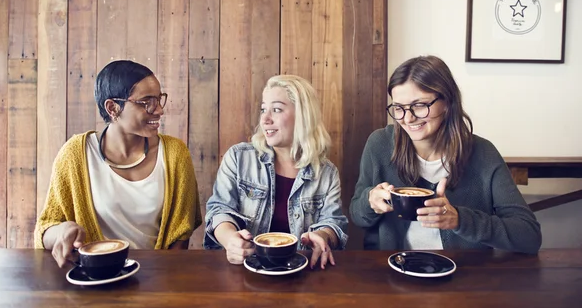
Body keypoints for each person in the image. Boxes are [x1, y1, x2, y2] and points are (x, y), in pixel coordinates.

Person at [350, 55, 541, 254]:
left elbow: (529, 236)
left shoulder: (483, 153)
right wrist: (370, 201)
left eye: (419, 105)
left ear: (447, 102)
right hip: (394, 270)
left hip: (463, 275)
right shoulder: (379, 144)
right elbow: (357, 215)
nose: (407, 118)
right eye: (398, 108)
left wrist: (460, 219)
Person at [34, 60, 202, 267]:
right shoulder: (75, 155)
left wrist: (163, 282)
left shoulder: (175, 154)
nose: (159, 110)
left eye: (159, 100)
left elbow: (181, 233)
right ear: (113, 107)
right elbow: (45, 229)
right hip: (94, 277)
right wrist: (62, 230)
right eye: (146, 102)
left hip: (159, 277)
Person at [204, 75, 348, 269]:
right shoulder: (239, 158)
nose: (265, 119)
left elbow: (334, 222)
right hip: (242, 270)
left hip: (301, 272)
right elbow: (218, 210)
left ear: (303, 116)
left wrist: (323, 236)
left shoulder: (327, 173)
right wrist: (230, 239)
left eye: (277, 109)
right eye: (263, 109)